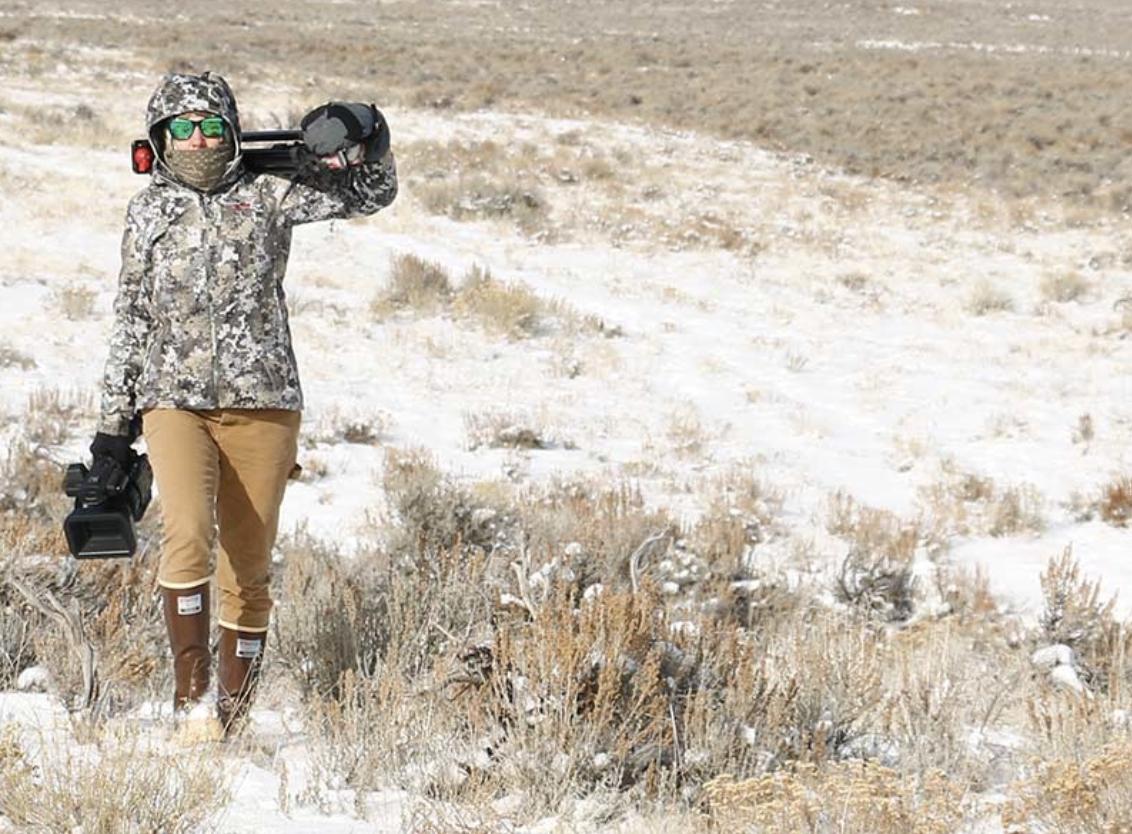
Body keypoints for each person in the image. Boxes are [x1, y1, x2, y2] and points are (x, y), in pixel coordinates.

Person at [89, 71, 397, 739]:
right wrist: (112, 429)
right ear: (161, 137)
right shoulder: (148, 212)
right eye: (182, 128)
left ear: (231, 130)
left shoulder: (269, 192)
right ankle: (192, 701)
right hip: (173, 400)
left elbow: (372, 195)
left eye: (210, 126)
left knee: (248, 565)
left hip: (264, 401)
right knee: (187, 534)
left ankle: (231, 718)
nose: (197, 139)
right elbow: (132, 316)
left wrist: (366, 134)